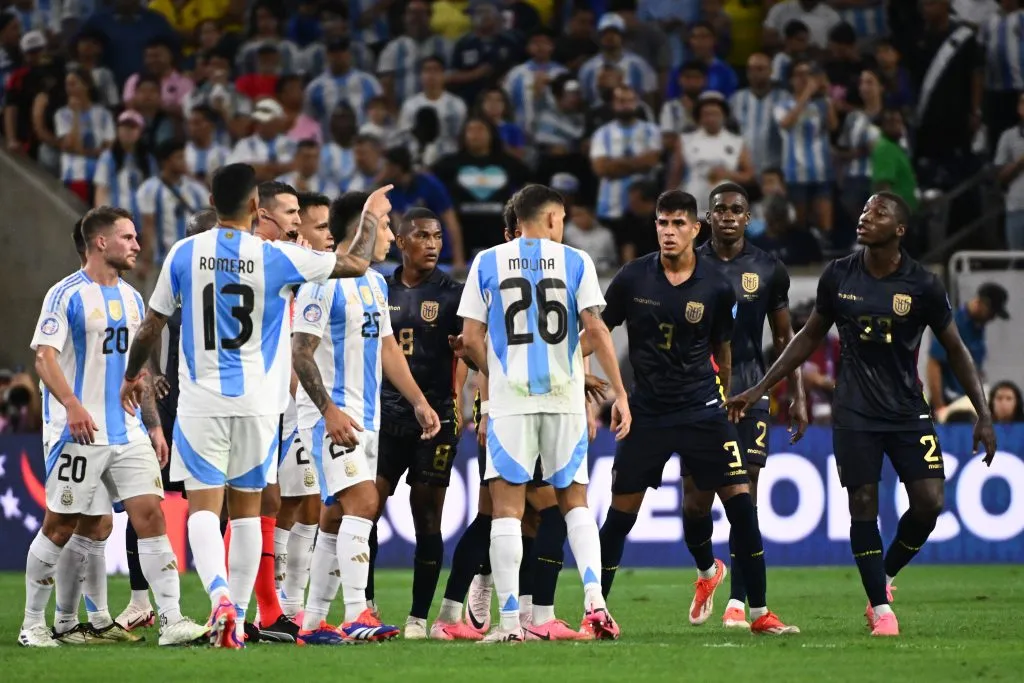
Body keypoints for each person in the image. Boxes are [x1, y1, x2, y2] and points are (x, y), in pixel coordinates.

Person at [119, 164, 389, 648]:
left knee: (203, 506)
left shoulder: (184, 253)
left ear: (211, 199)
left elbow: (150, 326)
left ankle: (220, 596)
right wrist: (369, 217)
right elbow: (355, 265)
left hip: (201, 400)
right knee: (247, 512)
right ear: (253, 208)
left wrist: (132, 373)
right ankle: (238, 621)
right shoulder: (276, 256)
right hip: (261, 405)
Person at [727, 192, 999, 637]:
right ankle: (880, 608)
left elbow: (956, 349)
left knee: (930, 504)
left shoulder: (923, 284)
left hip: (908, 410)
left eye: (878, 213)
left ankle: (885, 573)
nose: (865, 216)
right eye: (865, 208)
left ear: (899, 230)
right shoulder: (837, 275)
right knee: (863, 506)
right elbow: (808, 336)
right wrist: (762, 387)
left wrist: (983, 413)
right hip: (853, 412)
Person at [594, 189, 798, 635]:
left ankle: (759, 612)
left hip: (702, 410)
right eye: (662, 224)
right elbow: (598, 329)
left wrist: (722, 401)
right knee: (619, 518)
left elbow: (721, 350)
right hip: (646, 413)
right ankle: (598, 612)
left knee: (743, 508)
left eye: (678, 224)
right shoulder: (632, 278)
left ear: (694, 229)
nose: (669, 232)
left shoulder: (717, 286)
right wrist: (606, 388)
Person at [21, 206, 209, 648]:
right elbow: (44, 357)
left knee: (150, 516)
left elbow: (136, 371)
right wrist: (71, 405)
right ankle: (34, 624)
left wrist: (154, 425)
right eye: (128, 237)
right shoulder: (64, 294)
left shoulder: (130, 297)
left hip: (126, 433)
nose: (137, 246)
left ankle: (171, 619)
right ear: (100, 242)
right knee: (61, 525)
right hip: (78, 431)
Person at [457, 183, 631, 642]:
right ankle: (596, 604)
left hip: (511, 401)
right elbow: (596, 328)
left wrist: (492, 387)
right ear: (554, 219)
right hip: (564, 397)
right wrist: (620, 393)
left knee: (508, 510)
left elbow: (470, 338)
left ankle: (512, 623)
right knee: (574, 502)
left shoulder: (486, 261)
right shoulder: (577, 261)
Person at [291, 191, 440, 644]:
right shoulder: (322, 281)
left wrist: (417, 400)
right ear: (362, 229)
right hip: (332, 416)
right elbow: (301, 352)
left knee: (335, 518)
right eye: (385, 225)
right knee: (364, 503)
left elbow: (388, 348)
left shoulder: (375, 284)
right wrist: (328, 411)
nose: (393, 236)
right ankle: (358, 613)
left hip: (367, 415)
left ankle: (314, 622)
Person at [434, 197, 581, 643]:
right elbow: (477, 351)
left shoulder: (528, 274)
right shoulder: (499, 273)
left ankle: (465, 602)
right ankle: (525, 612)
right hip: (507, 410)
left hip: (518, 406)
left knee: (508, 516)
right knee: (534, 512)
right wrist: (477, 409)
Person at [697, 182, 809, 628]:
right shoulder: (690, 262)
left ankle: (738, 604)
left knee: (746, 499)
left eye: (736, 210)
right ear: (708, 217)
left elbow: (786, 339)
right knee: (697, 504)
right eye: (720, 209)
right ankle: (707, 569)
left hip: (751, 389)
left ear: (748, 217)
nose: (727, 216)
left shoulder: (767, 268)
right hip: (699, 393)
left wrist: (797, 393)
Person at [364, 208, 468, 639]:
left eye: (437, 236)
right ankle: (364, 605)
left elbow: (464, 352)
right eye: (422, 236)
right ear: (402, 242)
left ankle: (417, 618)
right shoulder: (376, 287)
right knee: (364, 510)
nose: (432, 243)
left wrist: (459, 401)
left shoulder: (452, 293)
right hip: (385, 415)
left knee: (427, 517)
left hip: (436, 417)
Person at [117, 208, 218, 633]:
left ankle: (226, 599)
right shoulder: (177, 277)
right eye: (193, 236)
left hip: (218, 405)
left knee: (219, 505)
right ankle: (140, 600)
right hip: (177, 404)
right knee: (145, 502)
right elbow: (150, 330)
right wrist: (154, 374)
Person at [274, 193, 335, 621]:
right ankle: (271, 595)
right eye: (318, 227)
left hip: (308, 404)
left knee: (310, 501)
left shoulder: (324, 277)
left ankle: (292, 601)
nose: (326, 235)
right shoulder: (283, 265)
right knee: (281, 503)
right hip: (276, 401)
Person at [927, 282, 1010, 411]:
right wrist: (939, 406)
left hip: (968, 401)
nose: (992, 318)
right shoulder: (953, 324)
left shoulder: (978, 327)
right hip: (951, 402)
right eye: (992, 313)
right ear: (982, 303)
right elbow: (934, 364)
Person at [669, 92, 753, 215]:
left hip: (725, 201)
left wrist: (727, 174)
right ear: (699, 117)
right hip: (693, 197)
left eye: (715, 114)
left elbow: (749, 176)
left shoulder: (737, 142)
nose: (711, 118)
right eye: (706, 114)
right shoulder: (685, 140)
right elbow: (676, 174)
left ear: (724, 116)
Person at [136, 139, 209, 278]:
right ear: (165, 162)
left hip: (194, 263)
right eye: (179, 157)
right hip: (162, 263)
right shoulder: (149, 189)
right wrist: (146, 260)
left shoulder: (197, 189)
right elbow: (148, 226)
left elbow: (208, 223)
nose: (184, 161)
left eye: (184, 156)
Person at [93, 110, 156, 225]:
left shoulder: (148, 160)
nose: (127, 131)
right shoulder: (108, 157)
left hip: (141, 220)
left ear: (140, 132)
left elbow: (153, 192)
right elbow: (101, 190)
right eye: (124, 127)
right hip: (115, 221)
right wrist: (102, 219)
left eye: (132, 128)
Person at [995, 91, 1024, 249]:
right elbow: (999, 176)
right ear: (1019, 108)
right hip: (1017, 206)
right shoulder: (1008, 136)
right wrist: (1019, 163)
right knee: (1016, 263)